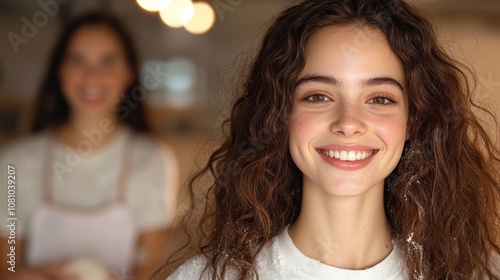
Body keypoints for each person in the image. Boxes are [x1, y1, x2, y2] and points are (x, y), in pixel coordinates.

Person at [163, 0, 500, 279]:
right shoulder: (204, 277)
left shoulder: (476, 273)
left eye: (380, 99)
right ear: (279, 115)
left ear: (414, 121)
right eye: (318, 96)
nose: (348, 123)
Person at [0, 12, 179, 280]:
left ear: (128, 73)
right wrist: (24, 276)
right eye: (78, 61)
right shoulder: (14, 163)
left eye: (107, 62)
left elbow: (151, 268)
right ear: (60, 70)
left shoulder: (152, 159)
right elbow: (7, 264)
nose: (92, 76)